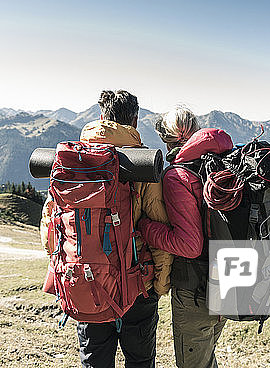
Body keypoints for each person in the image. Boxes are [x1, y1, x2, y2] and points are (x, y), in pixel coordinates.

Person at [40, 90, 172, 368]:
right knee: (140, 361)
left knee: (95, 361)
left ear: (101, 117)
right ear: (135, 121)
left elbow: (49, 224)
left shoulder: (71, 161)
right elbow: (158, 227)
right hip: (137, 285)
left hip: (86, 283)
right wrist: (159, 284)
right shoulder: (141, 163)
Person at [138, 106, 233, 368]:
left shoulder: (178, 176)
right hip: (230, 279)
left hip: (196, 288)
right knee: (206, 356)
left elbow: (189, 245)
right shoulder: (226, 161)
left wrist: (146, 228)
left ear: (167, 140)